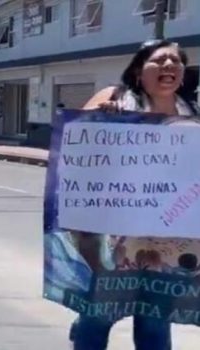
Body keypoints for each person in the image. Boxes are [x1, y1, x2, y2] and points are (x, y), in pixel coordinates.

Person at [70, 40, 198, 350]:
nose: (169, 65)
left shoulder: (192, 113)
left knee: (155, 319)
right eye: (160, 60)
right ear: (140, 70)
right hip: (118, 236)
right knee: (99, 315)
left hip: (172, 238)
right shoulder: (115, 100)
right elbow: (76, 149)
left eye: (176, 61)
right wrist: (101, 120)